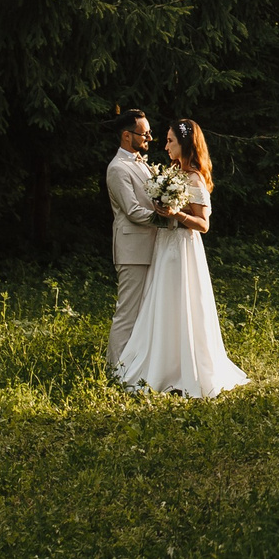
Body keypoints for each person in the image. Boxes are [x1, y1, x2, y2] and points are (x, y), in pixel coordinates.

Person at [110, 118, 250, 398]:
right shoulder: (172, 172)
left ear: (184, 144)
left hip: (184, 249)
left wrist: (175, 215)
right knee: (160, 304)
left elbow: (203, 225)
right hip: (164, 246)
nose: (165, 145)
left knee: (184, 303)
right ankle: (155, 364)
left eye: (170, 140)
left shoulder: (195, 177)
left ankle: (183, 367)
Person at [102, 110, 165, 379]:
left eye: (149, 132)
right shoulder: (117, 168)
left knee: (146, 312)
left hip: (153, 247)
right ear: (127, 136)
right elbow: (132, 210)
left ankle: (137, 366)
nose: (149, 137)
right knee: (127, 312)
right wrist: (170, 220)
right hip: (132, 251)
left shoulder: (143, 163)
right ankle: (114, 370)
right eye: (144, 133)